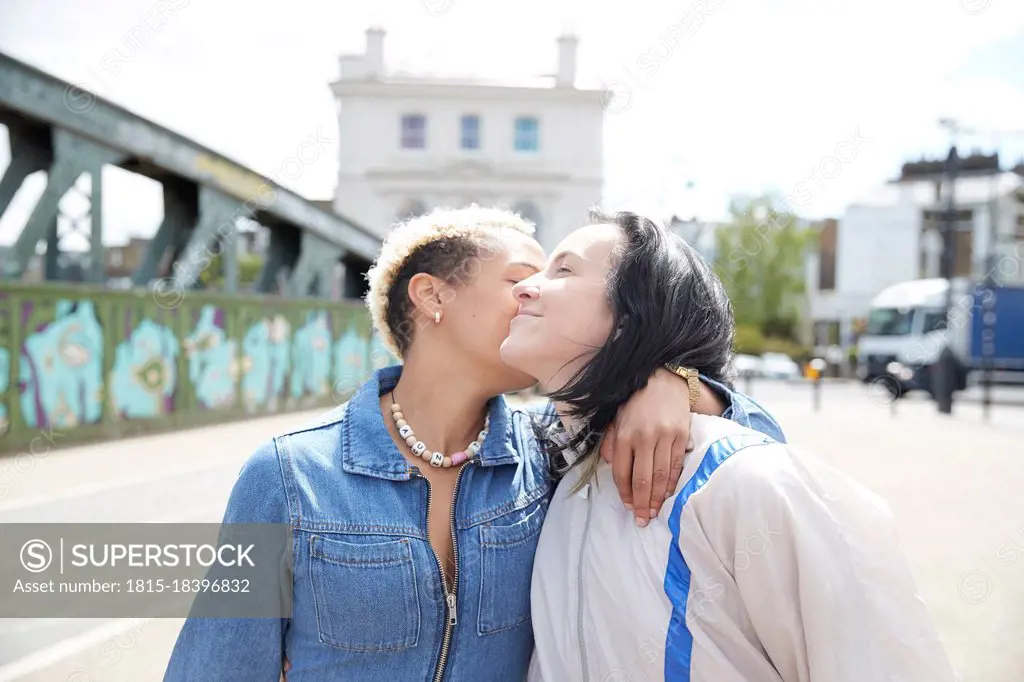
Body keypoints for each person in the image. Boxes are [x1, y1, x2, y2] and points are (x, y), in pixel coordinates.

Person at [163, 206, 781, 682]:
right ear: (433, 296)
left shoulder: (551, 455)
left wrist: (681, 385)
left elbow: (762, 449)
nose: (537, 293)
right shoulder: (288, 474)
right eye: (521, 278)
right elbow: (214, 667)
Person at [500, 210, 958, 681]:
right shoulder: (549, 470)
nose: (524, 288)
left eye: (564, 269)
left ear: (631, 318)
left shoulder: (742, 478)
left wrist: (691, 388)